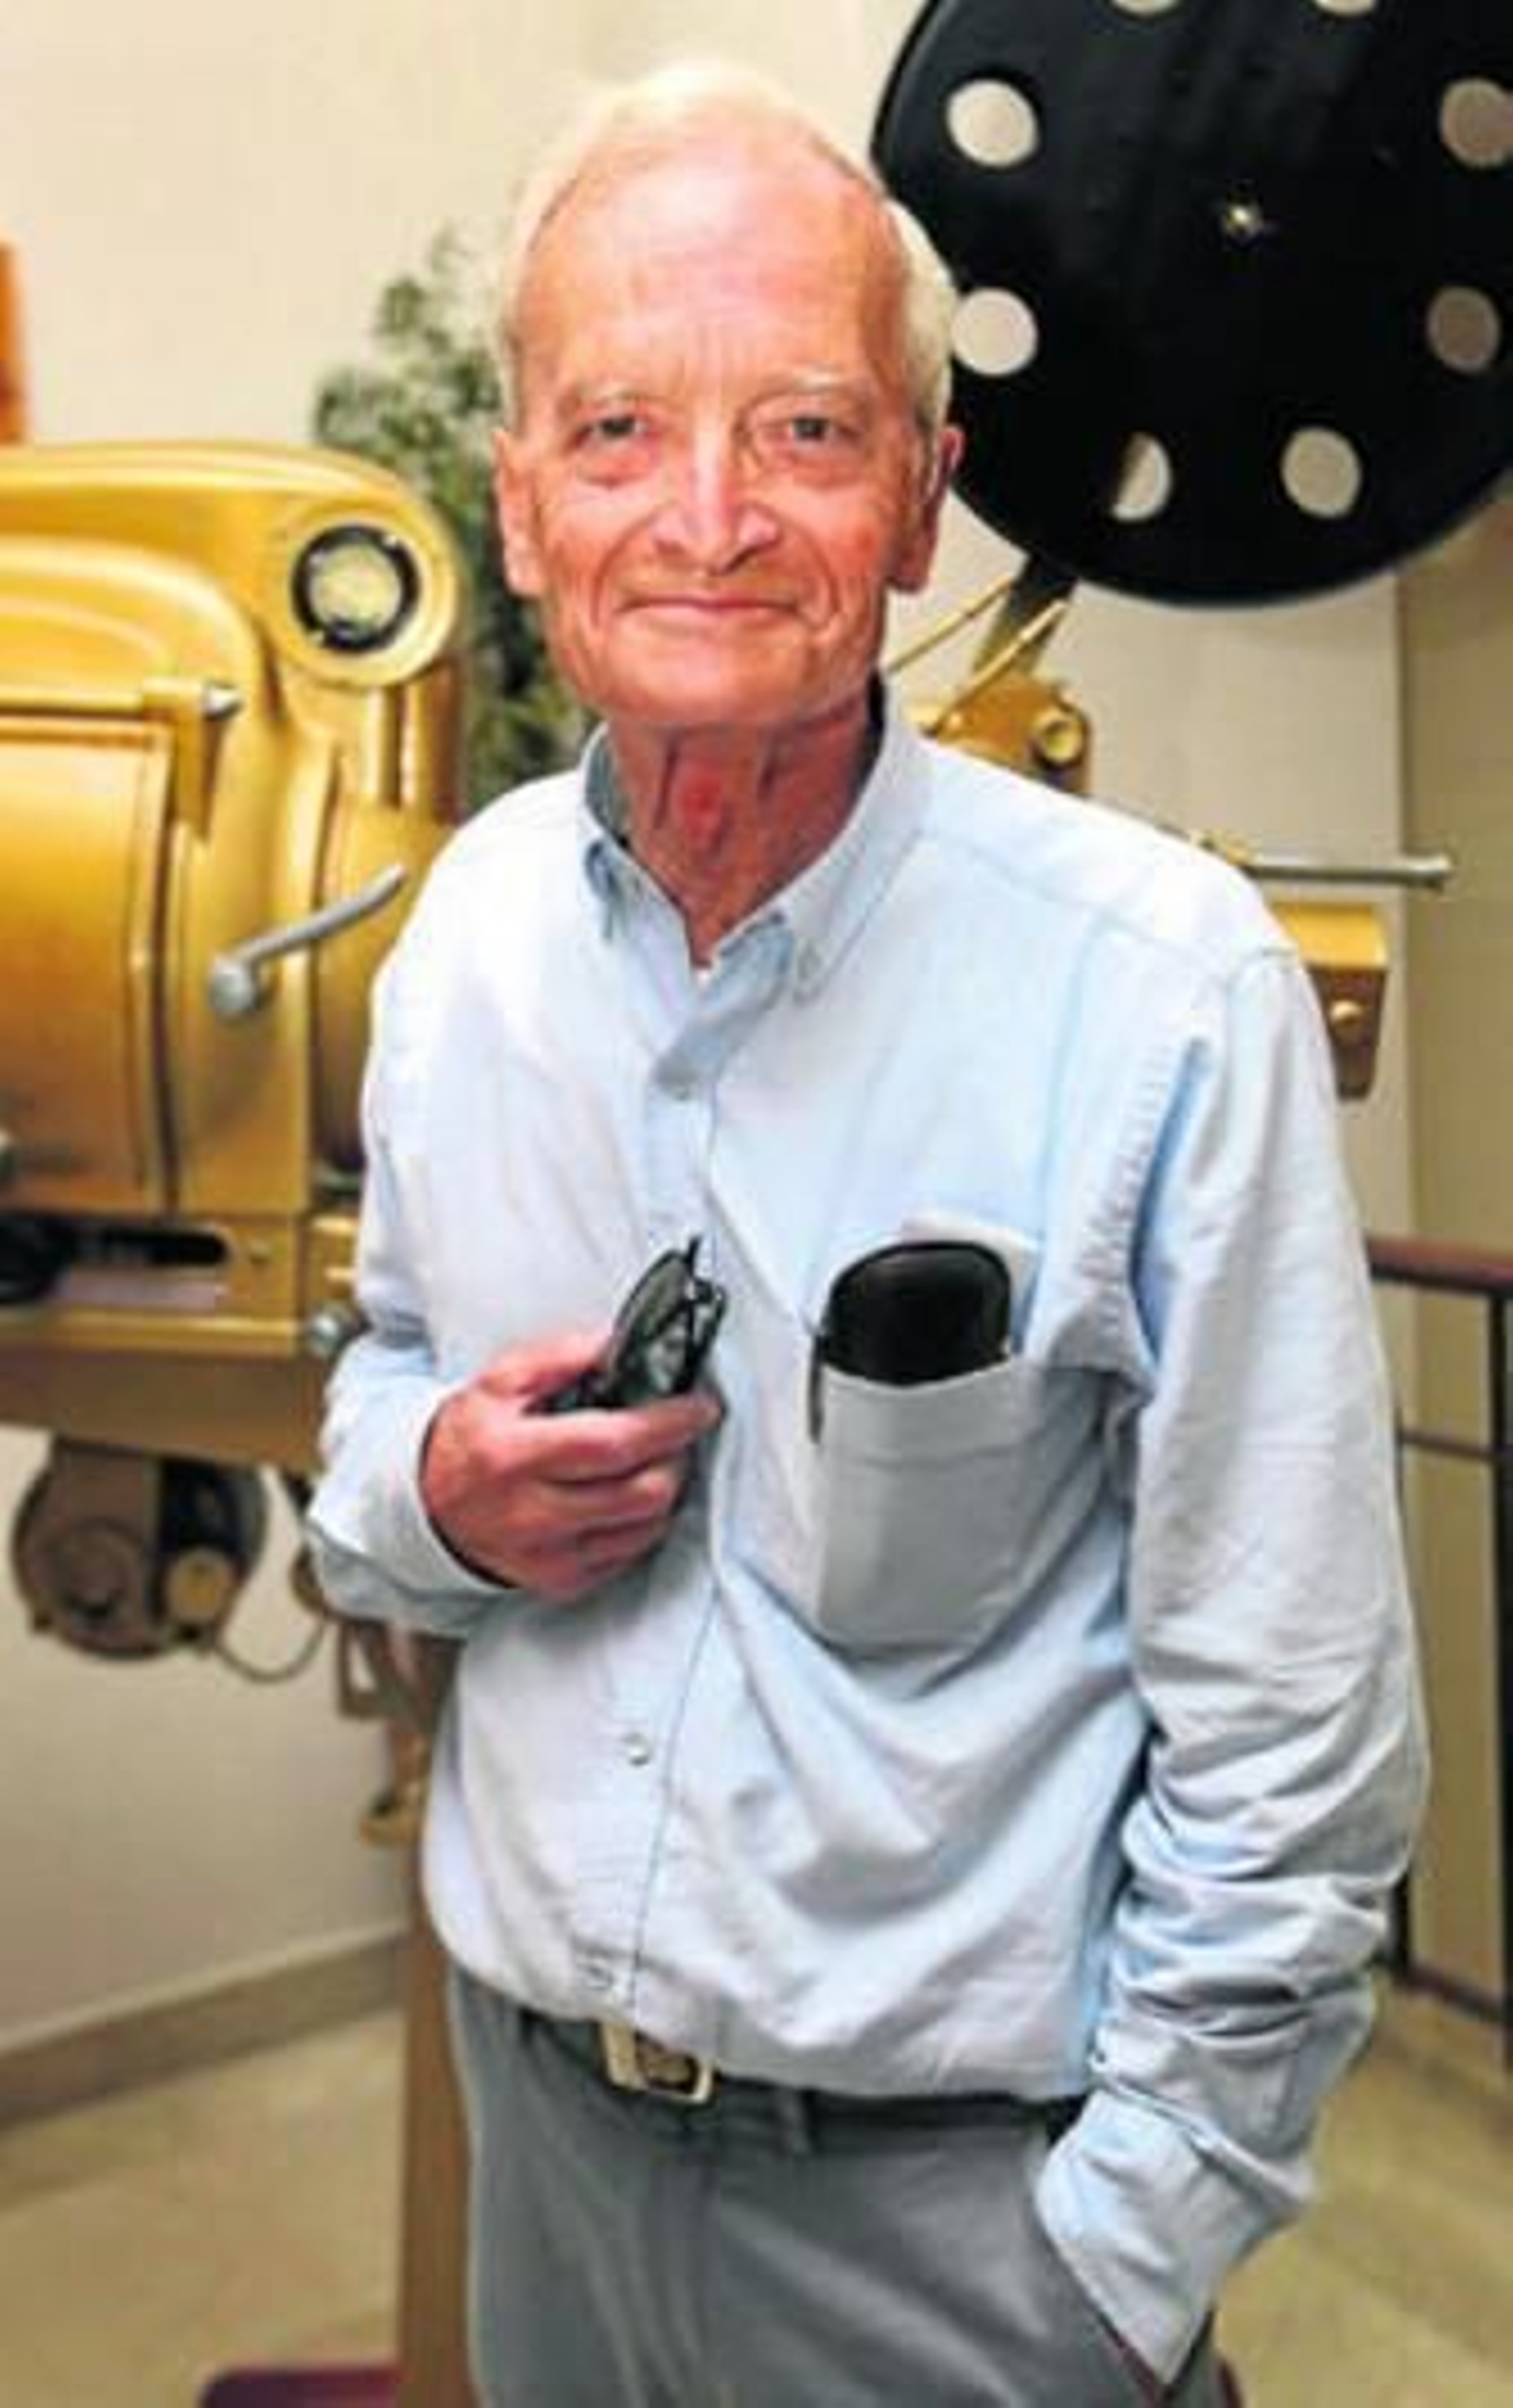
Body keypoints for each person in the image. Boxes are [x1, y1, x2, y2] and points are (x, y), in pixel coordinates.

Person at [308, 61, 1425, 2408]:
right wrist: (440, 1495)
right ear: (518, 504)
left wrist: (1120, 2254)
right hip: (542, 2160)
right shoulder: (469, 936)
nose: (706, 519)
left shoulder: (1159, 990)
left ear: (920, 499)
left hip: (963, 2245)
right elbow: (377, 1395)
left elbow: (1292, 1728)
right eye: (618, 430)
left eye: (805, 432)